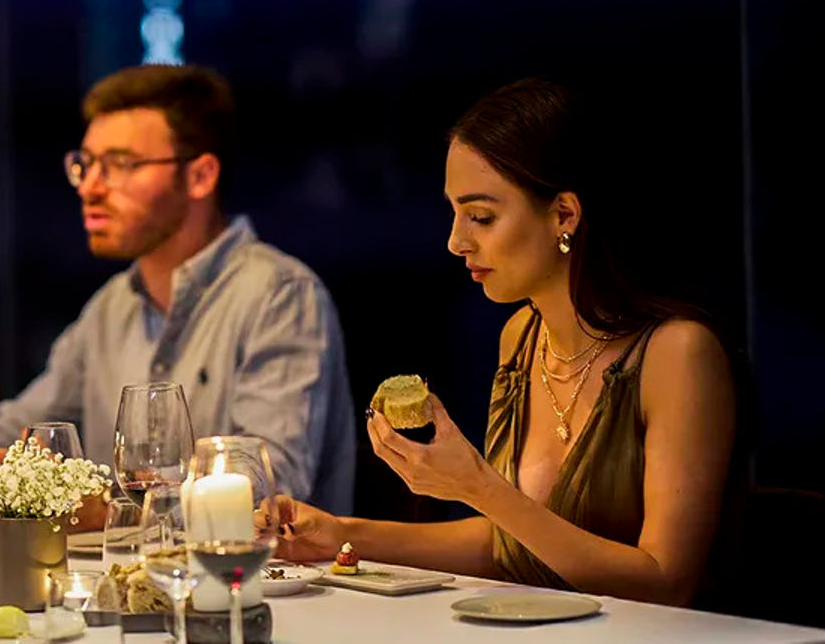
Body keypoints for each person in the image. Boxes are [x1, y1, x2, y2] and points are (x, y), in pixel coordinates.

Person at [267, 78, 740, 607]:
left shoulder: (678, 355)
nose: (456, 241)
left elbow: (665, 583)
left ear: (564, 215)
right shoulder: (523, 337)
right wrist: (342, 533)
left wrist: (476, 486)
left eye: (481, 217)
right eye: (454, 213)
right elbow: (511, 545)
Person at [0, 64, 356, 514]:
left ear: (200, 176)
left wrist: (108, 506)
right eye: (85, 165)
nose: (90, 186)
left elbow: (273, 482)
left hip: (258, 587)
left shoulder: (279, 294)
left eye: (121, 165)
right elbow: (21, 425)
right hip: (128, 582)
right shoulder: (113, 305)